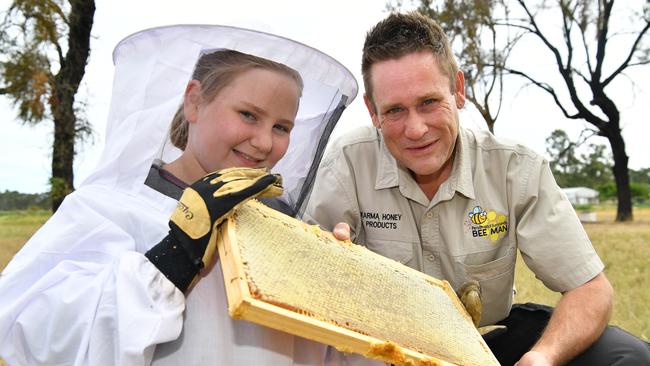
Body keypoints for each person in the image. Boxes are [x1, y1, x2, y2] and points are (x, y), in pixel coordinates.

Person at [0, 25, 378, 365]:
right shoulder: (104, 210)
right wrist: (173, 257)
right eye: (248, 114)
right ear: (194, 101)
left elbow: (333, 355)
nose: (264, 142)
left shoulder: (286, 229)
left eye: (282, 126)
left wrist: (341, 294)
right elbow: (34, 339)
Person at [304, 11, 650, 366]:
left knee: (629, 357)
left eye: (428, 102)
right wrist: (326, 260)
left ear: (457, 89)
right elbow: (301, 291)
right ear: (372, 110)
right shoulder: (346, 163)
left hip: (484, 347)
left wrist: (543, 357)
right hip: (384, 351)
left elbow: (591, 290)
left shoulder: (516, 170)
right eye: (394, 110)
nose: (416, 129)